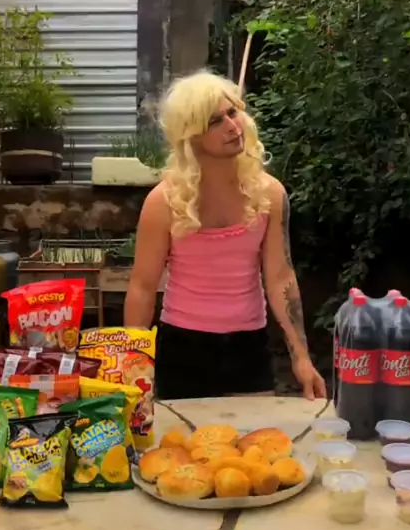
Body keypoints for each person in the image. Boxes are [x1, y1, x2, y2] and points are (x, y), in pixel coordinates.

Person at [124, 70, 326, 401]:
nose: (233, 126)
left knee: (257, 435)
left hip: (249, 346)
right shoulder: (163, 201)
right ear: (191, 136)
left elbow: (280, 277)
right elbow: (143, 287)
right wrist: (131, 367)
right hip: (183, 348)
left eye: (233, 112)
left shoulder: (269, 193)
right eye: (215, 121)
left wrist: (301, 357)